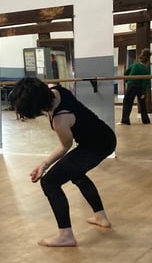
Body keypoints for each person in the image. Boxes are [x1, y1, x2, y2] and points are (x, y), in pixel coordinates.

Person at [10, 77, 116, 247]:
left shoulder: (61, 119)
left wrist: (44, 165)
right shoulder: (55, 89)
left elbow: (65, 145)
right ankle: (101, 217)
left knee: (50, 181)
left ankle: (66, 235)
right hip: (103, 136)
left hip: (97, 146)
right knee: (76, 172)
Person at [119, 48, 150, 125]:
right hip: (140, 88)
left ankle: (125, 120)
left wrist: (127, 81)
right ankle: (146, 120)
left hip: (131, 86)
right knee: (142, 104)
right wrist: (143, 92)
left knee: (127, 102)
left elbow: (126, 73)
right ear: (147, 61)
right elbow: (145, 82)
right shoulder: (146, 70)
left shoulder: (134, 65)